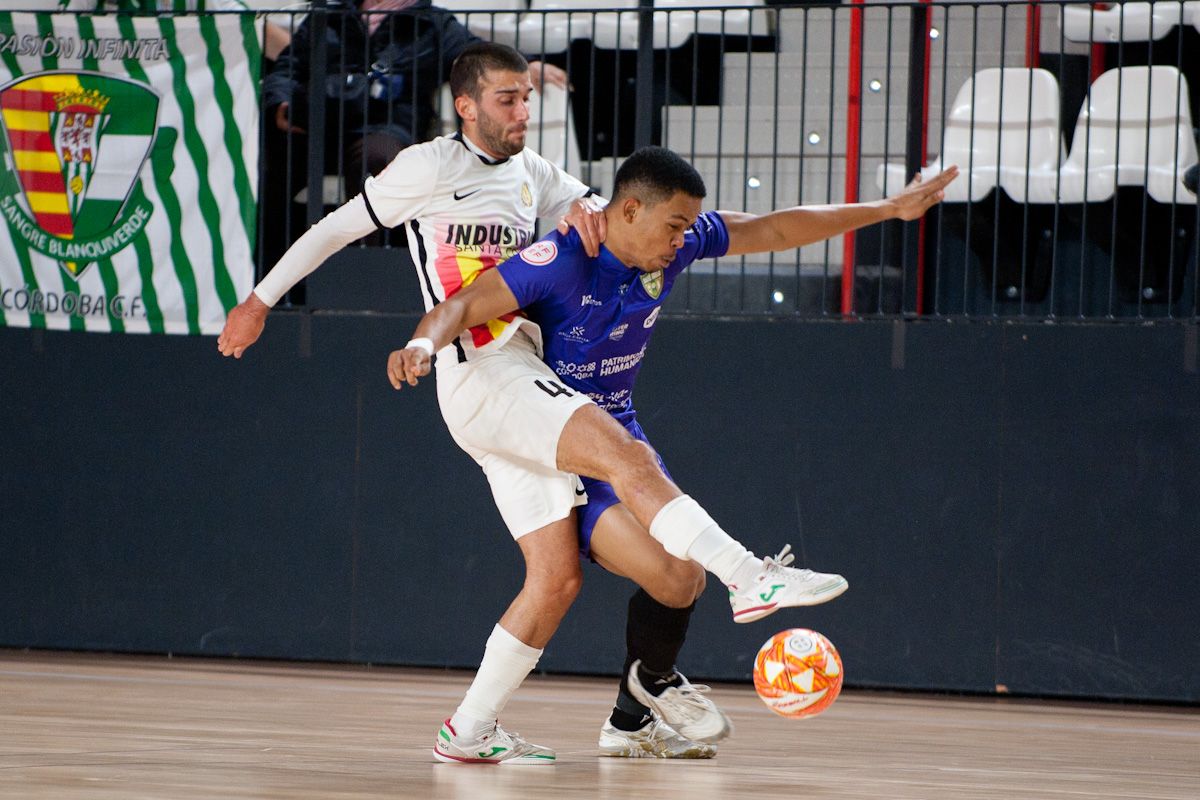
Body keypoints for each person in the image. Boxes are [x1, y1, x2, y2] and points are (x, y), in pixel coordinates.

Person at [220, 42, 737, 764]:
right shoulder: (428, 168)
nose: (523, 110)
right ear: (466, 105)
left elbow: (608, 212)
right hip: (480, 373)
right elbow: (337, 228)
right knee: (623, 455)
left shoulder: (538, 175)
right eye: (507, 98)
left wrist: (588, 215)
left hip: (520, 373)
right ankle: (746, 575)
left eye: (527, 96)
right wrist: (261, 300)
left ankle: (467, 732)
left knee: (556, 577)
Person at [386, 147, 957, 763]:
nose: (684, 239)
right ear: (629, 210)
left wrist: (887, 210)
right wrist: (422, 342)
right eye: (675, 225)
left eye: (689, 227)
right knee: (634, 505)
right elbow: (467, 302)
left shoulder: (673, 246)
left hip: (611, 431)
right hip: (562, 440)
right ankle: (751, 578)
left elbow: (774, 227)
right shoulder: (562, 258)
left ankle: (623, 722)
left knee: (678, 577)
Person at [260, 0, 567, 267]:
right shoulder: (327, 14)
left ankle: (363, 279)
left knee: (378, 161)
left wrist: (527, 67)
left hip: (386, 127)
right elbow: (288, 68)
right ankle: (268, 275)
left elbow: (479, 60)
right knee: (268, 162)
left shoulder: (432, 23)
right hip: (317, 125)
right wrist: (281, 103)